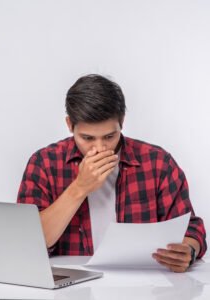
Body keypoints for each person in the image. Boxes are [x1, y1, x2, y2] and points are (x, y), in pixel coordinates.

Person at [17, 74, 207, 273]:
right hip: (71, 287)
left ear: (122, 122)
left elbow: (190, 228)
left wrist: (188, 250)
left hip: (144, 284)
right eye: (87, 138)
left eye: (109, 136)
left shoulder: (157, 162)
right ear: (69, 125)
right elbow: (28, 242)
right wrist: (79, 188)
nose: (99, 148)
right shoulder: (44, 164)